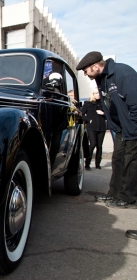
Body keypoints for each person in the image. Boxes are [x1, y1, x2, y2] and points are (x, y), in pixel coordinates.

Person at [76, 51, 137, 208]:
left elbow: (135, 104)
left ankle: (127, 197)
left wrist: (132, 126)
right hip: (121, 128)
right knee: (117, 159)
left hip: (132, 127)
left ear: (96, 66)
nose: (85, 74)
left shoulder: (123, 73)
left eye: (86, 70)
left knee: (130, 162)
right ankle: (114, 194)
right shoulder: (102, 79)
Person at [81, 87, 106, 170]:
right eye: (96, 93)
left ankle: (97, 164)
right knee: (92, 144)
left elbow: (108, 116)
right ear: (93, 94)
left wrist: (103, 113)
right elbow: (82, 114)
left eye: (99, 93)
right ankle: (87, 163)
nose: (98, 95)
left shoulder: (103, 103)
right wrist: (88, 120)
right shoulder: (87, 103)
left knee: (99, 146)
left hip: (101, 127)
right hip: (91, 127)